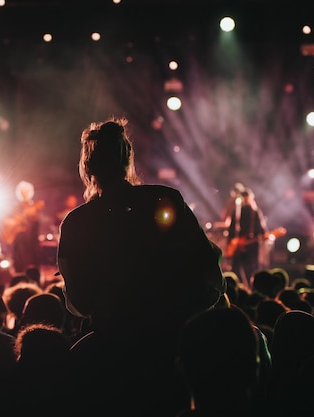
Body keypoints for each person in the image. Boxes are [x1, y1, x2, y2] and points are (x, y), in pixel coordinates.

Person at [57, 117, 225, 416]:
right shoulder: (165, 199)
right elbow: (209, 276)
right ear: (127, 159)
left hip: (112, 356)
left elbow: (79, 303)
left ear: (87, 166)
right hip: (172, 352)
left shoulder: (78, 222)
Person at [226, 188, 268, 289]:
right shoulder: (236, 211)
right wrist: (231, 244)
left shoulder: (255, 212)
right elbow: (231, 230)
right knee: (236, 271)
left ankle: (250, 290)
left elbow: (262, 232)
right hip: (238, 248)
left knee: (251, 271)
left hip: (251, 246)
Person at [2, 181, 44, 274]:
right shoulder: (14, 207)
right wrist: (15, 223)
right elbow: (6, 222)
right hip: (19, 241)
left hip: (31, 241)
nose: (24, 194)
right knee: (19, 263)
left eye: (26, 191)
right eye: (22, 191)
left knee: (32, 263)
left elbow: (37, 224)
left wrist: (32, 217)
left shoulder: (34, 207)